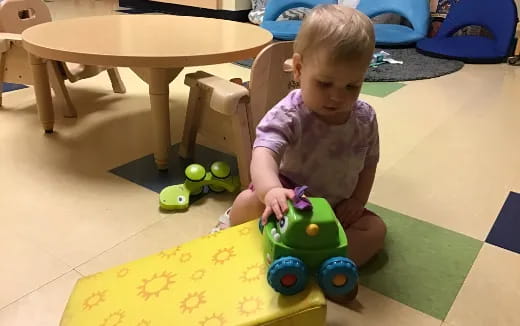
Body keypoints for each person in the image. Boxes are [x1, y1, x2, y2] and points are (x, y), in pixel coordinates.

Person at [213, 4, 386, 298]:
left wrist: (358, 200)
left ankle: (323, 264)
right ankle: (255, 241)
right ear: (299, 68)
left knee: (375, 231)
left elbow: (369, 164)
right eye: (325, 83)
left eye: (351, 86)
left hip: (335, 209)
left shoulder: (365, 118)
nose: (337, 96)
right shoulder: (289, 113)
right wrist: (270, 191)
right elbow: (264, 153)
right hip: (288, 199)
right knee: (246, 201)